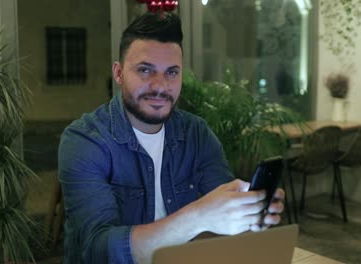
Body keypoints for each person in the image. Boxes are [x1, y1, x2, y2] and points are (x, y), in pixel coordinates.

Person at [58, 11, 285, 264]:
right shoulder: (85, 141)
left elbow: (220, 219)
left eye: (171, 73)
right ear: (119, 73)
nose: (160, 86)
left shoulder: (196, 134)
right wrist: (198, 216)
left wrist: (246, 213)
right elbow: (99, 251)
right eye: (145, 70)